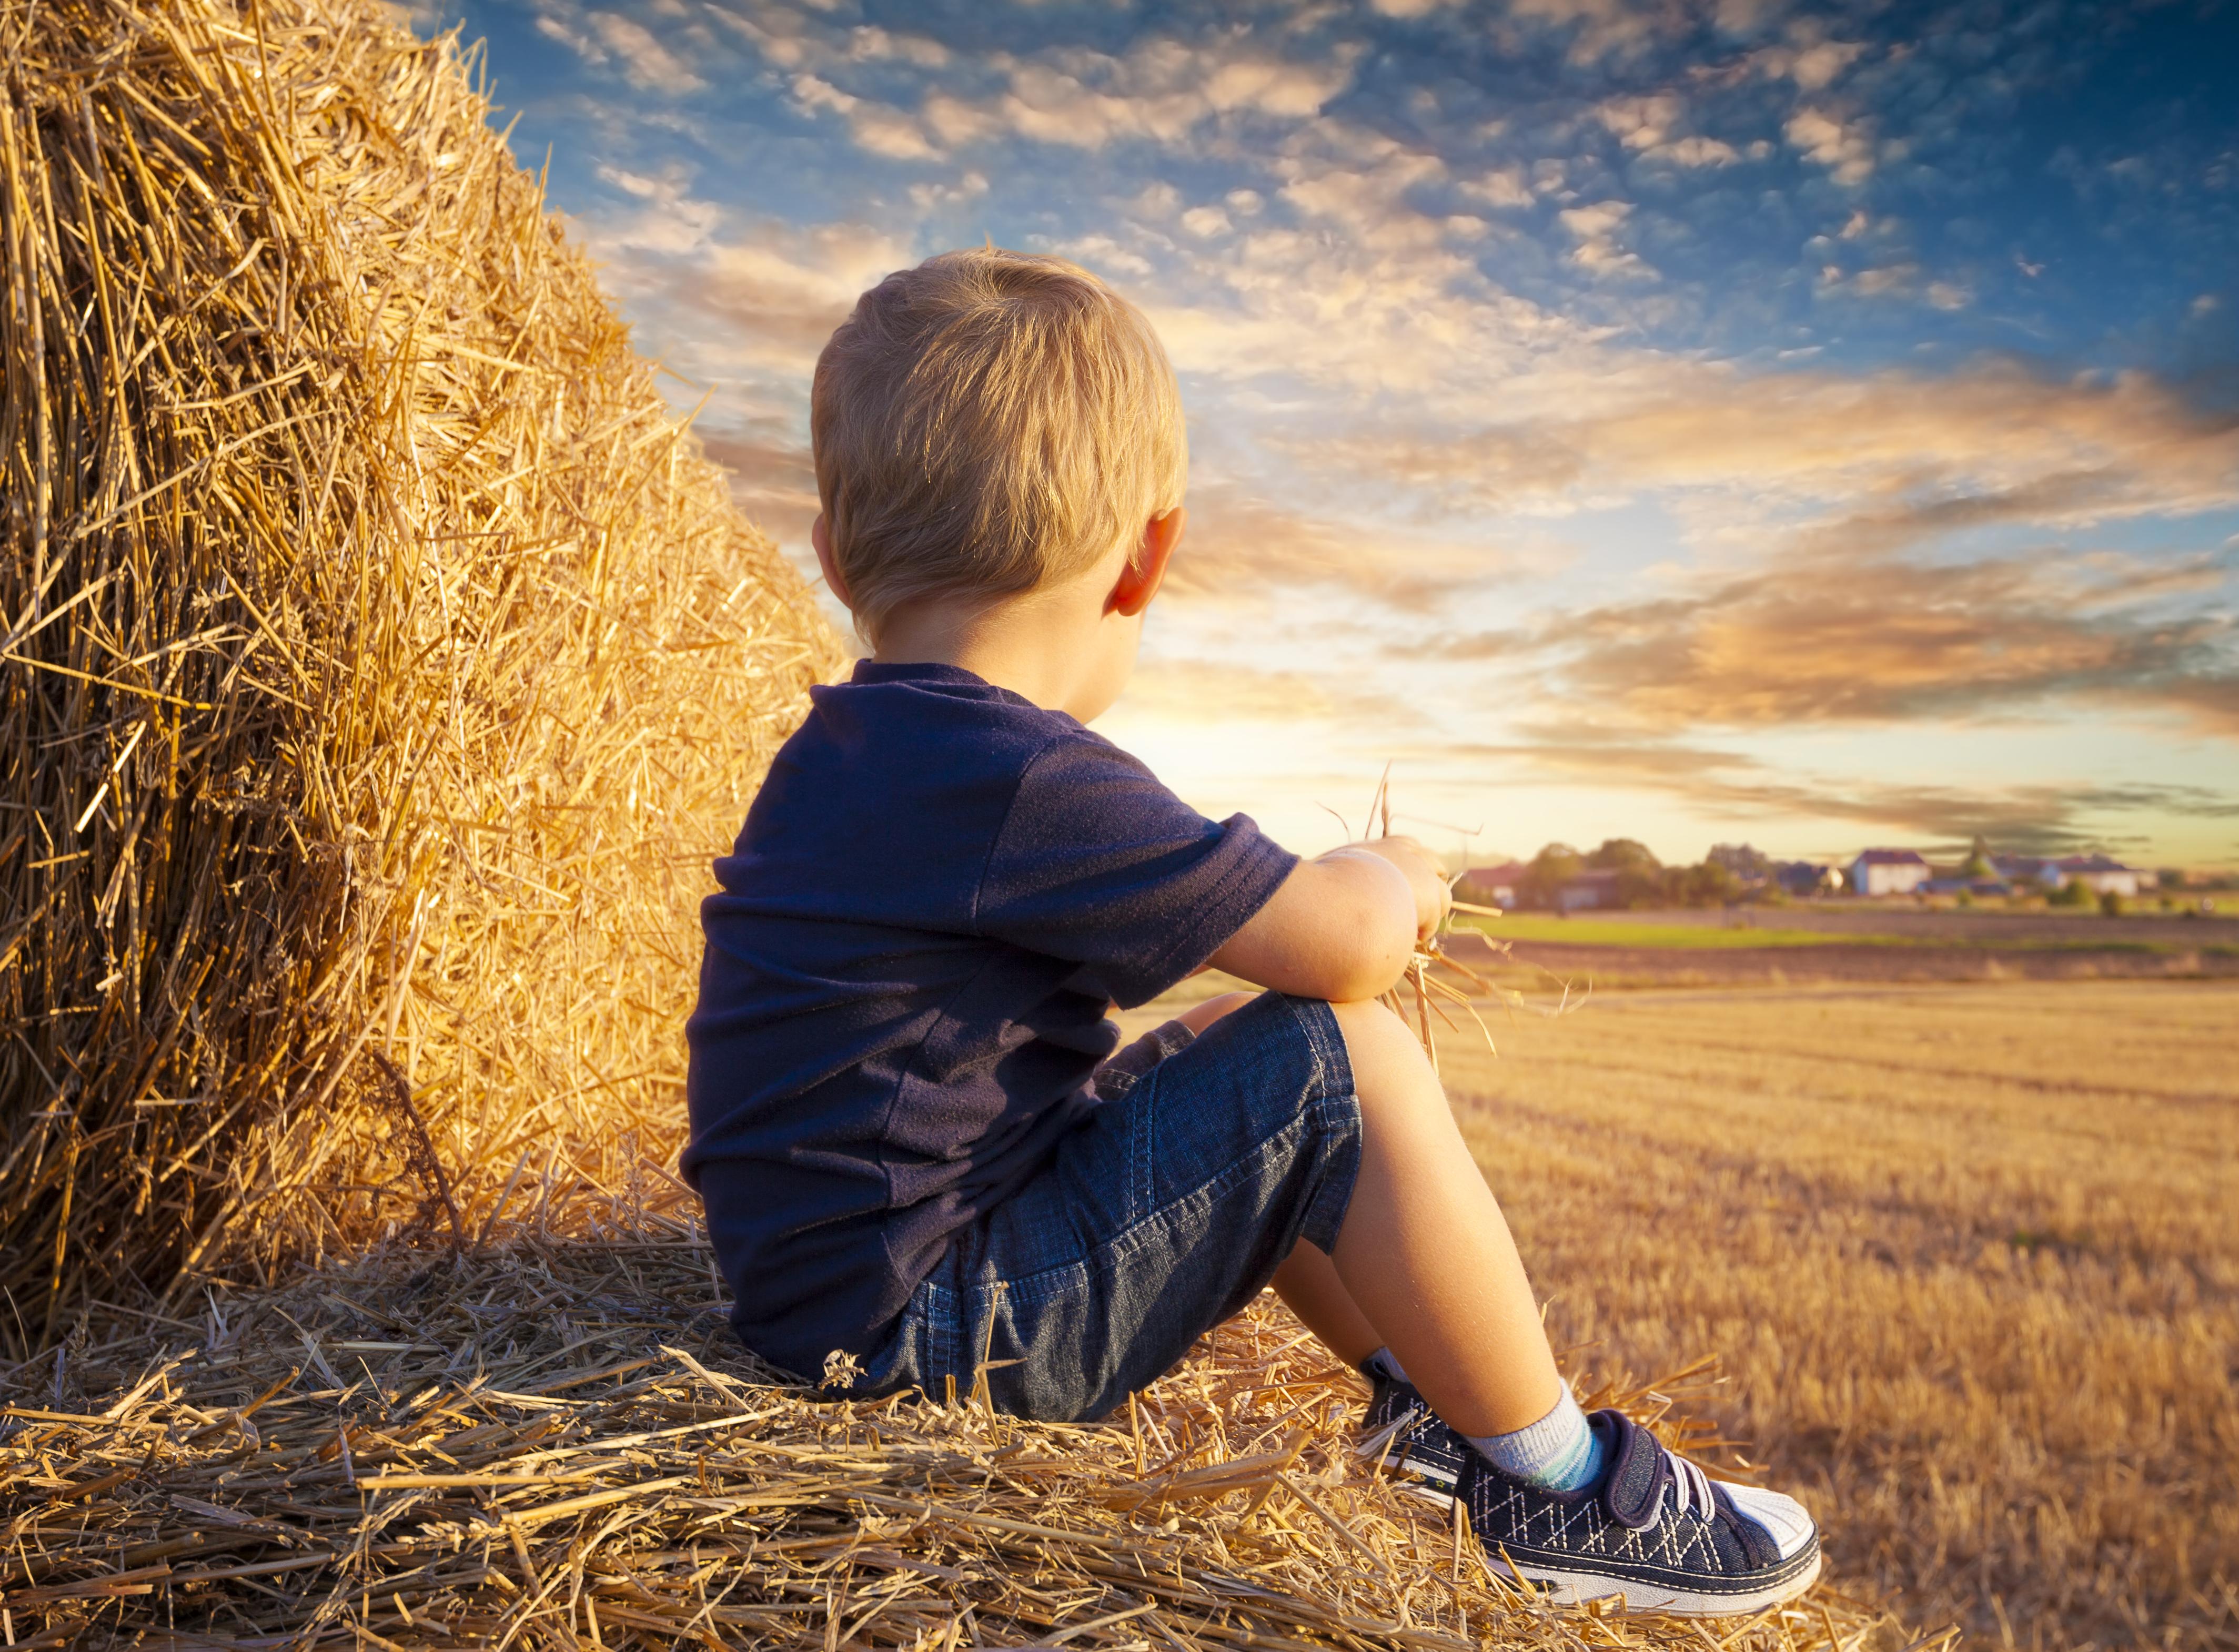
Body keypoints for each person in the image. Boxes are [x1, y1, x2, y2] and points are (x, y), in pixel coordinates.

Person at [684, 248, 1820, 1616]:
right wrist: (1398, 869)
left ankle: (1425, 1413)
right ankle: (1560, 1493)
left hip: (828, 1299)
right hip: (923, 1338)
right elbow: (1343, 947)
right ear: (1147, 559)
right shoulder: (1013, 775)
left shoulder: (858, 749)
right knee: (1338, 1062)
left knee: (1228, 1056)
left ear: (828, 552)